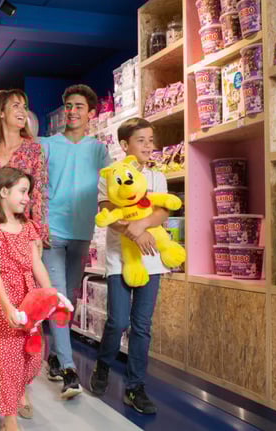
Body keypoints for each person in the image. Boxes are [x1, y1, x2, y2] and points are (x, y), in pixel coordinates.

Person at [89, 118, 170, 415]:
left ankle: (135, 386)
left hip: (152, 261)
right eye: (141, 140)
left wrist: (142, 226)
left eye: (151, 139)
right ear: (125, 145)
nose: (149, 146)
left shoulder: (157, 176)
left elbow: (162, 211)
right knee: (117, 320)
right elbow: (107, 210)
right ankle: (103, 364)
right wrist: (131, 230)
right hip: (118, 259)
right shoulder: (109, 175)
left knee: (142, 326)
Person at [40, 84, 109, 398]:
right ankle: (69, 369)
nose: (72, 111)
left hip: (82, 232)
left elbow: (111, 188)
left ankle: (54, 354)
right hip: (52, 232)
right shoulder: (47, 145)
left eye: (79, 106)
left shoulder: (98, 150)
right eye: (68, 106)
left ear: (90, 113)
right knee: (59, 299)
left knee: (70, 298)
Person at [0, 167, 54, 431]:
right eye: (22, 191)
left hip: (30, 297)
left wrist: (51, 293)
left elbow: (36, 265)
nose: (27, 198)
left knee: (32, 356)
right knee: (7, 359)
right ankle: (10, 420)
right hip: (5, 300)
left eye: (28, 192)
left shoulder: (28, 227)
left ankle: (21, 391)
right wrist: (6, 306)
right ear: (3, 192)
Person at [0, 89, 48, 245]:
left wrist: (40, 234)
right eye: (16, 105)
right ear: (1, 113)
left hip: (21, 234)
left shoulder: (33, 150)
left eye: (24, 107)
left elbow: (38, 196)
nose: (23, 111)